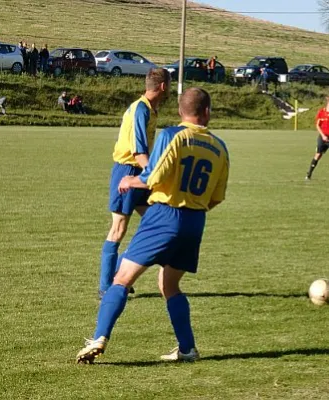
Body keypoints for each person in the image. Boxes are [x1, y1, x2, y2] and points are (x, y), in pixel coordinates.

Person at [76, 87, 230, 364]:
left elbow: (152, 176)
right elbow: (216, 197)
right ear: (207, 112)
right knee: (169, 285)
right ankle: (187, 349)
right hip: (195, 222)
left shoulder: (172, 135)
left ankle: (99, 336)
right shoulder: (220, 147)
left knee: (122, 278)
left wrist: (130, 181)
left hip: (164, 216)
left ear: (181, 111)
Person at [97, 68, 171, 300]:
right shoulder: (141, 109)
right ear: (163, 86)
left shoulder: (149, 109)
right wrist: (154, 176)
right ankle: (106, 286)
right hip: (128, 171)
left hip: (140, 172)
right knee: (118, 229)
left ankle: (120, 274)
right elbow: (139, 151)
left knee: (157, 223)